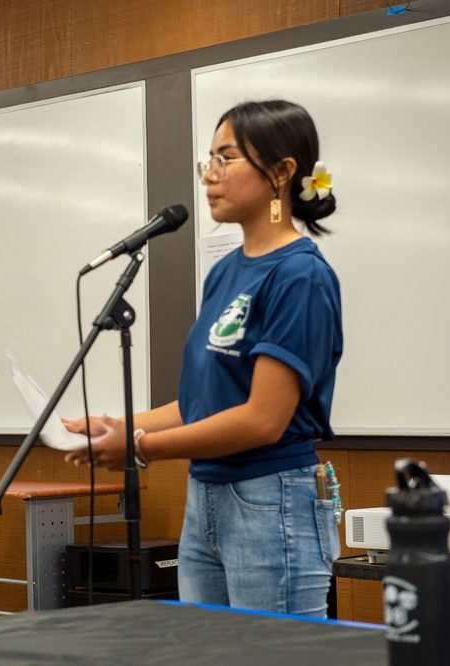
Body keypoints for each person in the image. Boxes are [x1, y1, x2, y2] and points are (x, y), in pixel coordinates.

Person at [65, 100, 342, 618]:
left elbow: (262, 419)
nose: (210, 175)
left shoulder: (300, 275)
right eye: (208, 160)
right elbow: (202, 404)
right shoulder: (226, 272)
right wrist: (115, 426)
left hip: (270, 499)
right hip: (207, 497)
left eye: (227, 158)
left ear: (281, 172)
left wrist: (139, 447)